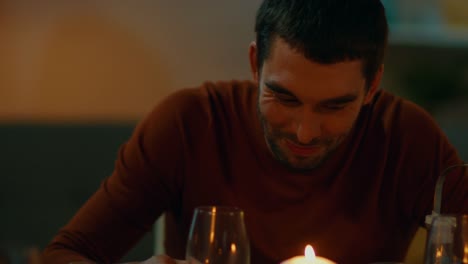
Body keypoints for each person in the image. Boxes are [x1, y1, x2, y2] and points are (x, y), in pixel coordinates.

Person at [42, 0, 468, 263]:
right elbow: (64, 254)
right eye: (284, 98)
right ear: (254, 65)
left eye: (335, 106)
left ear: (372, 86)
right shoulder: (189, 124)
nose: (304, 132)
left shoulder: (407, 137)